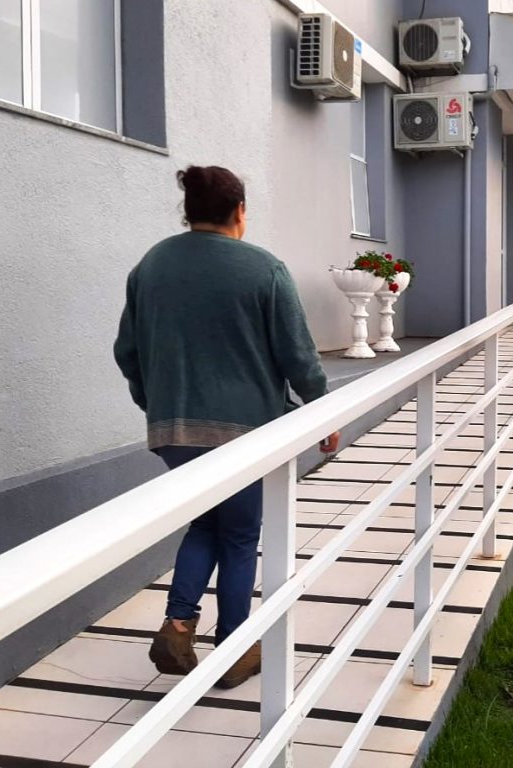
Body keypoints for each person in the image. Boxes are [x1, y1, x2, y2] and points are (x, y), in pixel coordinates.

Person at [113, 165, 338, 689]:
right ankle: (235, 650)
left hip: (174, 427)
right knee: (238, 536)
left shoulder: (151, 266)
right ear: (239, 211)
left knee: (205, 525)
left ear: (189, 211)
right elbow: (298, 355)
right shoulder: (263, 269)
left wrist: (155, 404)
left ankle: (178, 624)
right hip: (245, 433)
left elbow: (128, 351)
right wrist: (321, 409)